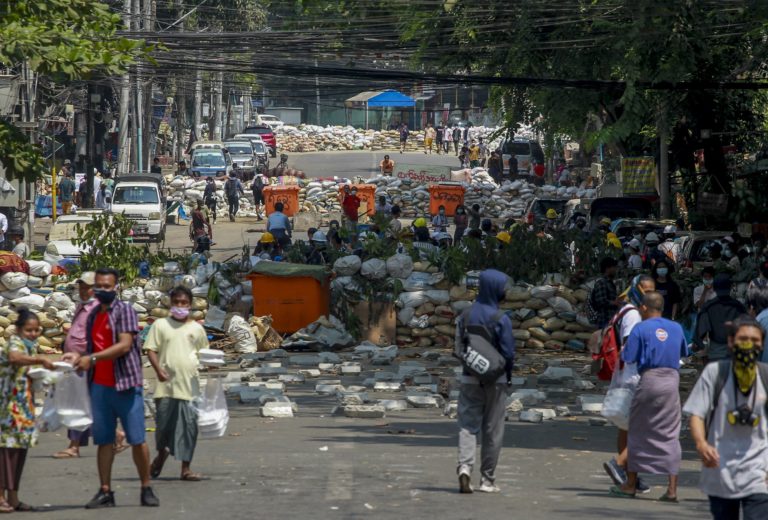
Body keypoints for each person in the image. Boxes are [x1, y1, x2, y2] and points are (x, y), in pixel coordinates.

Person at [64, 267, 160, 508]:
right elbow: (91, 347)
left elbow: (125, 345)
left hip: (125, 383)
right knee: (104, 441)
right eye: (99, 286)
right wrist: (77, 359)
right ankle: (105, 490)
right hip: (100, 385)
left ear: (116, 287)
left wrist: (92, 359)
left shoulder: (124, 311)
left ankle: (146, 486)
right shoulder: (93, 314)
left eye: (108, 286)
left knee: (138, 439)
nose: (103, 290)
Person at [683, 315, 768, 519]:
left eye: (755, 341)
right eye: (743, 339)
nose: (749, 345)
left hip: (758, 472)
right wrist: (701, 444)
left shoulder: (766, 376)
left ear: (762, 344)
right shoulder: (716, 373)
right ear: (731, 341)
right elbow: (697, 413)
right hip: (721, 470)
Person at [610, 291, 688, 501]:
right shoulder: (677, 327)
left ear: (644, 308)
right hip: (672, 382)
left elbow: (629, 357)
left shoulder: (640, 328)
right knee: (671, 433)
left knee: (636, 430)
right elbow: (682, 353)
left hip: (649, 380)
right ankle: (672, 490)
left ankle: (630, 484)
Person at [456, 269, 515, 494]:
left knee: (467, 426)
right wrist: (507, 376)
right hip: (496, 380)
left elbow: (459, 347)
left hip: (469, 377)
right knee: (493, 430)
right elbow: (509, 353)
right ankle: (487, 480)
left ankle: (464, 467)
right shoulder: (501, 319)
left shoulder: (465, 315)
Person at [146, 286, 208, 482]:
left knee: (189, 428)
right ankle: (162, 454)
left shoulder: (197, 329)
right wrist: (158, 370)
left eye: (184, 303)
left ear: (190, 305)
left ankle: (186, 468)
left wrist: (211, 364)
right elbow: (151, 349)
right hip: (166, 387)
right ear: (171, 304)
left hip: (190, 387)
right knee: (164, 427)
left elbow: (205, 354)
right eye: (176, 303)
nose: (180, 306)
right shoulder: (160, 325)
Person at [602, 275, 656, 495]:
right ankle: (621, 465)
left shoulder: (627, 310)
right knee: (639, 428)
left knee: (626, 426)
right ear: (636, 289)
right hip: (634, 376)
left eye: (652, 289)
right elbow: (630, 345)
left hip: (626, 375)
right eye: (645, 289)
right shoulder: (634, 314)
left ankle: (630, 477)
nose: (649, 293)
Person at [0, 310, 55, 512]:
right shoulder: (15, 343)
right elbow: (15, 358)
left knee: (20, 452)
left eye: (35, 330)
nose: (32, 333)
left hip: (24, 405)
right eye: (28, 330)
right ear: (18, 329)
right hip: (9, 408)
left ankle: (13, 497)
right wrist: (40, 361)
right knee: (7, 453)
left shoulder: (30, 347)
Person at [53, 272, 100, 459]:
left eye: (86, 287)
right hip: (75, 362)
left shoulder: (97, 309)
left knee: (80, 404)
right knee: (83, 404)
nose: (82, 291)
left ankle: (74, 446)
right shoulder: (82, 306)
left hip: (87, 361)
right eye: (81, 287)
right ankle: (114, 437)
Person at [695, 274, 747, 363]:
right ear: (730, 287)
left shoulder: (708, 307)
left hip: (716, 353)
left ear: (714, 288)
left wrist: (699, 345)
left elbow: (701, 332)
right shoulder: (739, 307)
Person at [588, 257, 620, 328]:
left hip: (611, 320)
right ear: (607, 268)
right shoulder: (601, 282)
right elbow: (601, 301)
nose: (615, 270)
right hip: (605, 320)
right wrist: (615, 303)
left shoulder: (609, 283)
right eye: (614, 267)